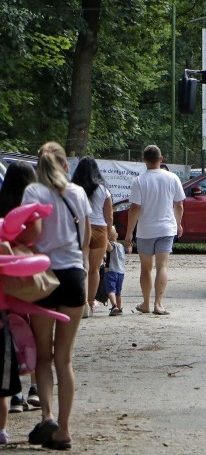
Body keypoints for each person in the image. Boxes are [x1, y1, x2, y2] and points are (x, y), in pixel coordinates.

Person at [21, 141, 91, 450]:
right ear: (65, 166)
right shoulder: (77, 193)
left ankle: (47, 415)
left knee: (44, 355)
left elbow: (33, 233)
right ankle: (65, 430)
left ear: (39, 167)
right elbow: (85, 238)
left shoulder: (34, 193)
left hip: (43, 278)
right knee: (65, 358)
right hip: (74, 276)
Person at [0, 161, 41, 433]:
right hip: (30, 278)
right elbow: (38, 239)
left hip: (6, 282)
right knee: (33, 334)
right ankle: (35, 388)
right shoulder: (32, 210)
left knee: (10, 337)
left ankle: (13, 394)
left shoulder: (2, 206)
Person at [124, 145, 185, 316]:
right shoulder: (172, 178)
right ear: (161, 159)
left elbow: (135, 209)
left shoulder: (139, 181)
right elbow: (179, 204)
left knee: (146, 269)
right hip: (166, 228)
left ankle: (145, 303)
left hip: (145, 231)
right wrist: (178, 224)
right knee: (163, 266)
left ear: (144, 160)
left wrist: (129, 233)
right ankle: (159, 304)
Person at [71, 156, 113, 317]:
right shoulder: (103, 189)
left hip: (80, 227)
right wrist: (108, 236)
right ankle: (90, 303)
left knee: (82, 267)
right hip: (100, 229)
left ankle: (81, 304)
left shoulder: (74, 188)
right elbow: (109, 216)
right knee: (95, 269)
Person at [104, 226, 126, 316]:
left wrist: (104, 238)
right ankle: (119, 308)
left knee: (111, 290)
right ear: (117, 235)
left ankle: (114, 306)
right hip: (121, 272)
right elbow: (128, 250)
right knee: (118, 292)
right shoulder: (121, 246)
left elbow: (109, 248)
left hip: (111, 271)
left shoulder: (111, 245)